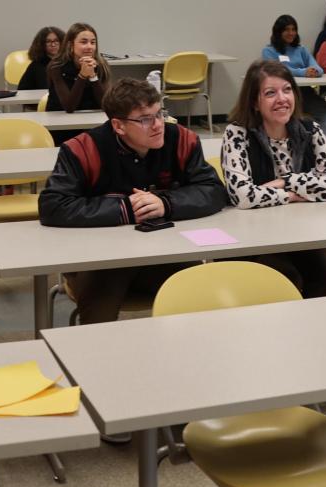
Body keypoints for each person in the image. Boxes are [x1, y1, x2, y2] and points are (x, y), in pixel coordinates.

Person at [38, 78, 227, 324]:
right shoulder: (82, 149)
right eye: (146, 119)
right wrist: (125, 209)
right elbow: (53, 206)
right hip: (101, 261)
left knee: (205, 297)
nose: (158, 125)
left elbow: (213, 190)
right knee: (99, 321)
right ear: (118, 126)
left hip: (167, 253)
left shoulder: (182, 139)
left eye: (160, 114)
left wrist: (166, 203)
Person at [221, 60, 326, 297]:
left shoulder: (310, 130)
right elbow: (243, 196)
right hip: (255, 240)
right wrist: (293, 195)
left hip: (303, 235)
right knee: (285, 279)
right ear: (254, 102)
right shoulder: (237, 134)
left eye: (287, 90)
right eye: (270, 93)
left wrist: (283, 181)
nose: (282, 99)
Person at [260, 14, 326, 157]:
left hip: (305, 94)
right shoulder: (269, 51)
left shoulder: (301, 50)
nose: (291, 33)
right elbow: (278, 69)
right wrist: (302, 72)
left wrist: (314, 71)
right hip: (281, 96)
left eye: (294, 29)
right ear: (278, 32)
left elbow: (318, 68)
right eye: (287, 30)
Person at [47, 22, 111, 113]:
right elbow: (69, 107)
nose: (89, 47)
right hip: (60, 120)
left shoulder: (101, 65)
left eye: (93, 42)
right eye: (84, 42)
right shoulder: (56, 66)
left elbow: (106, 105)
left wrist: (93, 76)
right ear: (71, 45)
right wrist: (82, 76)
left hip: (91, 119)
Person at [18, 26, 62, 91]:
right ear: (41, 44)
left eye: (56, 41)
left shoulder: (68, 62)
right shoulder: (36, 66)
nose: (53, 45)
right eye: (48, 42)